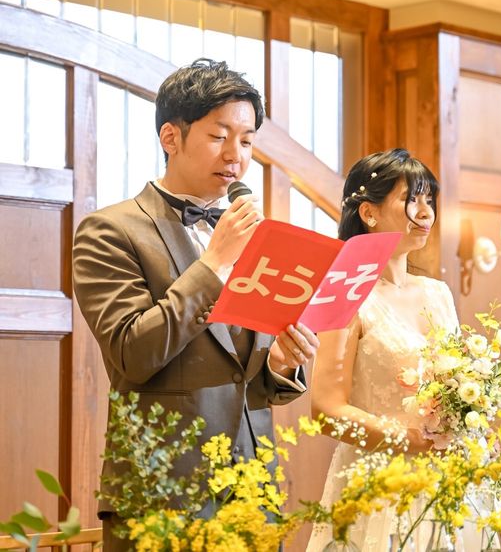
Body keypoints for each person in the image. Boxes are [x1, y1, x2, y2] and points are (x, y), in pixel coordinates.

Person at [73, 58, 319, 551]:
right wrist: (214, 263)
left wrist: (279, 364)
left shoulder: (253, 238)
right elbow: (132, 353)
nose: (235, 156)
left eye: (246, 142)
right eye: (219, 136)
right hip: (161, 494)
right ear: (171, 137)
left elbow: (240, 374)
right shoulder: (110, 231)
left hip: (253, 492)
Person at [306, 148, 501, 551]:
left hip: (455, 475)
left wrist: (472, 426)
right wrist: (408, 439)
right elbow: (325, 410)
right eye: (411, 199)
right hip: (382, 483)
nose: (425, 213)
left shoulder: (437, 293)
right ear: (369, 213)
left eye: (429, 200)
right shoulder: (345, 295)